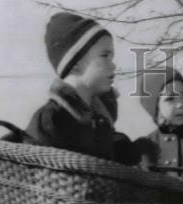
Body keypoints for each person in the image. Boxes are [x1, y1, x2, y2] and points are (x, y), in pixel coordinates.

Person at [26, 12, 141, 165]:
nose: (113, 65)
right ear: (76, 62)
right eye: (104, 55)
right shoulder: (52, 119)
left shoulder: (100, 121)